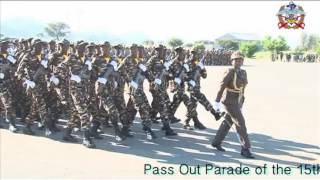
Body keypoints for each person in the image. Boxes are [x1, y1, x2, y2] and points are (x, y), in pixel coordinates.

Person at [211, 51, 254, 159]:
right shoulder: (229, 72)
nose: (238, 62)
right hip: (229, 101)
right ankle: (246, 148)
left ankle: (216, 142)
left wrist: (241, 101)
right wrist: (216, 102)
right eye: (236, 60)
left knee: (228, 122)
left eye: (240, 60)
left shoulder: (243, 72)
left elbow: (243, 88)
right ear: (232, 61)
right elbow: (221, 87)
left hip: (238, 101)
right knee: (240, 123)